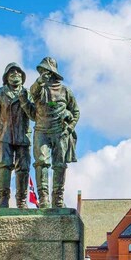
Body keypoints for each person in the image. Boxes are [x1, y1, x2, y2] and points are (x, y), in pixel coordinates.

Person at [30, 57, 79, 208]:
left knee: (59, 165)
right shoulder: (39, 89)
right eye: (41, 71)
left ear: (53, 72)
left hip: (60, 132)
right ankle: (44, 198)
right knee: (41, 163)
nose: (44, 73)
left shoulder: (65, 91)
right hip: (41, 130)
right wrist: (39, 82)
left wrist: (69, 126)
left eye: (46, 70)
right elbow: (31, 93)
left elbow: (76, 111)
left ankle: (58, 198)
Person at [0, 63, 35, 208]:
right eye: (11, 73)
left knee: (23, 167)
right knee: (4, 165)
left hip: (23, 135)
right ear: (6, 77)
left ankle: (21, 200)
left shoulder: (28, 94)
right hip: (5, 135)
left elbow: (34, 115)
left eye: (18, 73)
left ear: (23, 77)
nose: (15, 75)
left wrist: (24, 100)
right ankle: (3, 198)